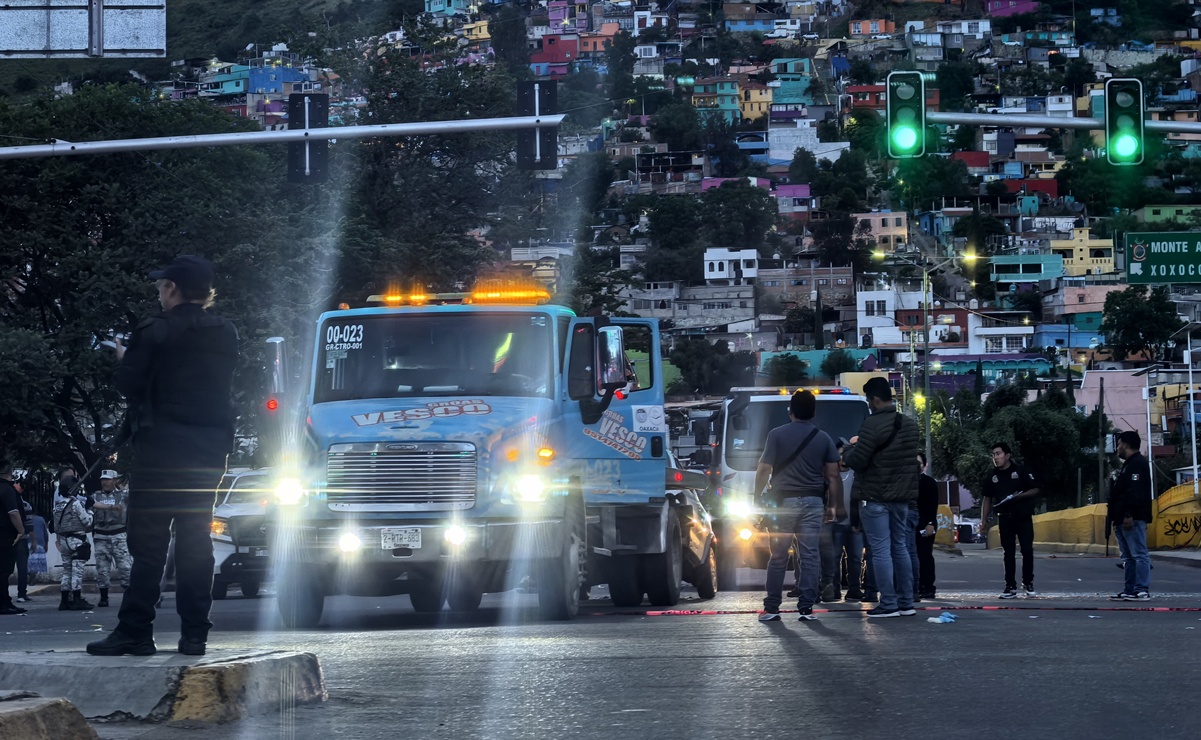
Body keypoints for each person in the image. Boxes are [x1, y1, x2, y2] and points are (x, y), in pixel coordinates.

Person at [87, 255, 239, 658]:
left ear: (171, 288)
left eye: (160, 286)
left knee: (149, 546)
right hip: (208, 453)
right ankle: (194, 635)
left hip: (160, 454)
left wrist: (125, 357)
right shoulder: (226, 332)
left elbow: (130, 386)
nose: (158, 292)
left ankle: (136, 631)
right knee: (195, 542)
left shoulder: (153, 331)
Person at [754, 390, 843, 622]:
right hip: (814, 502)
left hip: (784, 503)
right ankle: (806, 608)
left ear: (790, 411)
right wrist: (833, 506)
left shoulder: (776, 434)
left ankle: (772, 608)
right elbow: (833, 476)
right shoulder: (823, 437)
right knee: (810, 555)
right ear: (813, 412)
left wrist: (756, 497)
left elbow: (764, 468)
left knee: (779, 556)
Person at [843, 377, 920, 618]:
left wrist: (849, 449)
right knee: (901, 548)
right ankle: (906, 602)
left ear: (875, 399)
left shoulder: (872, 424)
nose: (868, 404)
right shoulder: (910, 425)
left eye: (868, 400)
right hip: (902, 498)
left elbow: (857, 461)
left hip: (876, 497)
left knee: (881, 550)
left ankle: (888, 604)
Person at [980, 442, 1040, 599]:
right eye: (994, 454)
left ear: (1007, 455)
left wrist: (1019, 496)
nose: (996, 457)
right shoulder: (992, 476)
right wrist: (983, 521)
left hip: (1023, 517)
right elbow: (987, 499)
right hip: (1005, 518)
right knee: (1008, 553)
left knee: (1027, 550)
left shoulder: (1021, 471)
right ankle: (1010, 586)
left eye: (998, 454)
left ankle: (1028, 583)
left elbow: (1035, 489)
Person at [1108, 431, 1152, 601]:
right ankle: (1129, 589)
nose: (1117, 448)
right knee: (1127, 557)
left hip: (1132, 518)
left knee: (1139, 554)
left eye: (1119, 444)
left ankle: (1141, 589)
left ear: (1126, 444)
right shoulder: (1128, 464)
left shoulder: (1137, 464)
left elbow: (1136, 492)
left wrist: (1129, 514)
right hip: (1121, 518)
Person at [818, 441, 863, 603]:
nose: (843, 457)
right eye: (840, 454)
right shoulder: (829, 475)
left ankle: (854, 589)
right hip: (835, 523)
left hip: (854, 523)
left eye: (846, 454)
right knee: (834, 557)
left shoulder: (857, 474)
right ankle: (834, 589)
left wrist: (858, 521)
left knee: (856, 558)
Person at [91, 469, 132, 608]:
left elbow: (134, 495)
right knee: (102, 568)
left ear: (115, 480)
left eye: (108, 479)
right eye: (103, 479)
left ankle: (129, 596)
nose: (104, 482)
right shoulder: (95, 496)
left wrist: (122, 487)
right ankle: (103, 597)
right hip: (101, 535)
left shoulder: (124, 495)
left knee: (125, 567)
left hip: (119, 534)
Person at [53, 472, 94, 610]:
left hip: (64, 541)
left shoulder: (57, 505)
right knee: (77, 571)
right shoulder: (75, 503)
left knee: (66, 571)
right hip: (77, 540)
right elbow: (87, 522)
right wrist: (89, 509)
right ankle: (77, 599)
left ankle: (64, 601)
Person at [1, 460, 27, 615]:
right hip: (5, 535)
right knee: (4, 570)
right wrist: (21, 531)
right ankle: (3, 603)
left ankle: (5, 601)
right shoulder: (7, 489)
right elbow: (13, 513)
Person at [915, 453, 939, 600]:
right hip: (909, 525)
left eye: (918, 462)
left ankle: (928, 587)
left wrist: (930, 523)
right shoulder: (905, 482)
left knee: (925, 556)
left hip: (925, 526)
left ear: (924, 465)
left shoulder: (929, 482)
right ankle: (915, 586)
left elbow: (933, 506)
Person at [13, 478, 35, 603]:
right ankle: (22, 593)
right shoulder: (26, 505)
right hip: (22, 539)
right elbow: (29, 525)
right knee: (22, 567)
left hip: (9, 538)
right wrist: (34, 541)